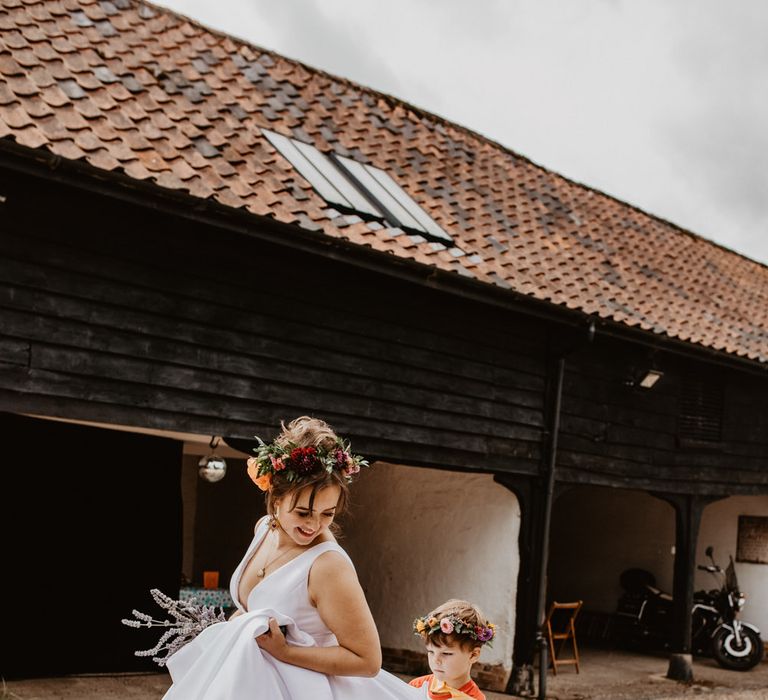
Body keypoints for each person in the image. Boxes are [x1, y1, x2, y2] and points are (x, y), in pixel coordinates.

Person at [162, 415, 421, 699]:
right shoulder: (263, 529)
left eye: (328, 514)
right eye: (303, 512)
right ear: (275, 496)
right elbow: (253, 607)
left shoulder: (327, 566)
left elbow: (368, 661)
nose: (313, 525)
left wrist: (285, 652)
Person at [409, 599, 496, 700]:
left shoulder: (473, 699)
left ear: (473, 655)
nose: (436, 660)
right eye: (431, 652)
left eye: (446, 653)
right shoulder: (416, 686)